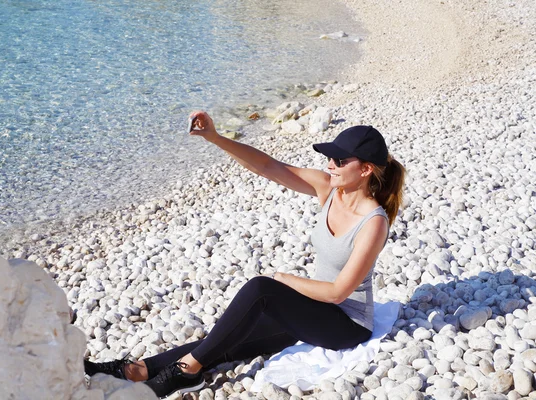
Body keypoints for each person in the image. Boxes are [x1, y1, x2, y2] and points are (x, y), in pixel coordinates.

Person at [84, 111, 406, 398]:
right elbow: (269, 166)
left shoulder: (373, 222)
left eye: (339, 161)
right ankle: (140, 370)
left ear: (365, 169)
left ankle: (185, 372)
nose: (329, 165)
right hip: (315, 309)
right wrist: (215, 137)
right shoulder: (329, 189)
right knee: (232, 336)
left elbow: (338, 293)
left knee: (261, 289)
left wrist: (284, 280)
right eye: (330, 158)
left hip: (345, 325)